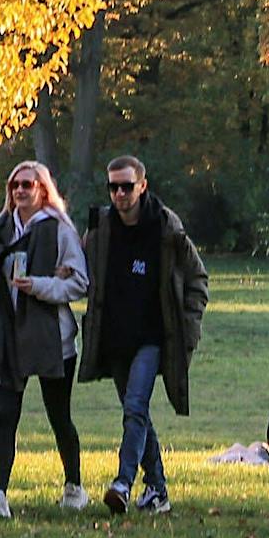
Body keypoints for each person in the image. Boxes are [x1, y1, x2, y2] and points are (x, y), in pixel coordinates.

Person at [78, 153, 208, 516]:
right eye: (113, 187)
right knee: (137, 413)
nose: (119, 194)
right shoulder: (101, 228)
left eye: (126, 186)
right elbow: (83, 272)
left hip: (153, 337)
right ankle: (158, 490)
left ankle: (122, 482)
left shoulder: (166, 228)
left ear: (142, 186)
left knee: (135, 407)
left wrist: (189, 328)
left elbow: (198, 279)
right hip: (115, 337)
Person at [0, 159, 90, 518]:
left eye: (27, 184)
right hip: (7, 335)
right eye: (15, 185)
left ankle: (74, 486)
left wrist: (39, 286)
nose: (20, 191)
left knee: (59, 416)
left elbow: (79, 283)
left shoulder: (60, 231)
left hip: (52, 338)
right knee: (6, 415)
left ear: (43, 189)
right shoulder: (0, 228)